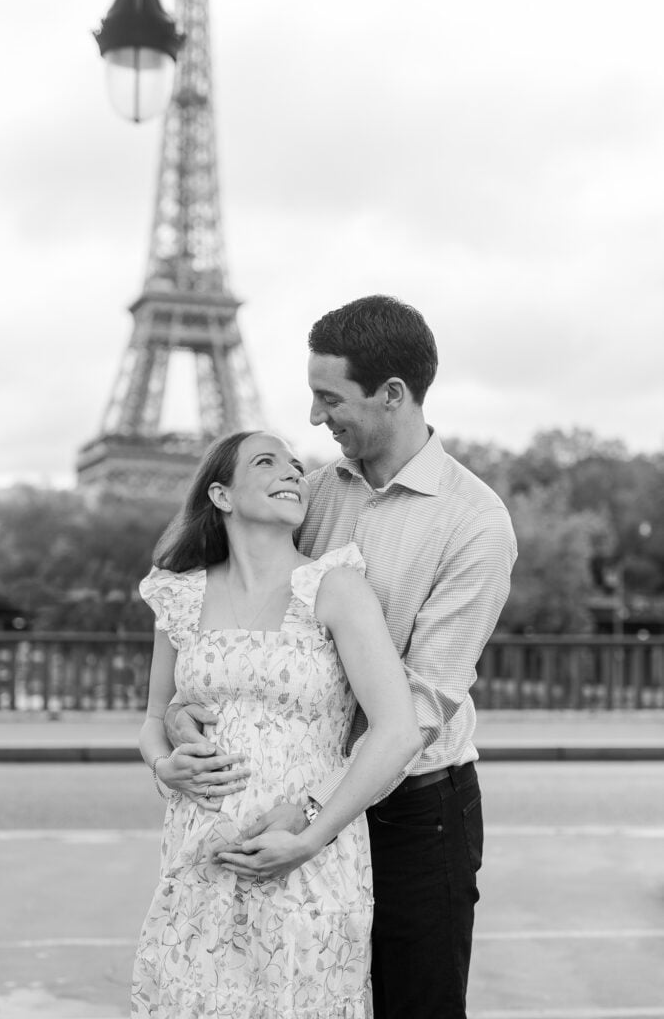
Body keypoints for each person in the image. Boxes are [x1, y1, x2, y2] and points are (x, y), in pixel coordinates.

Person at [167, 295, 517, 1019]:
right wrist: (188, 708)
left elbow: (418, 709)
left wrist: (312, 812)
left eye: (331, 398)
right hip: (302, 808)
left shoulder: (475, 523)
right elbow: (254, 626)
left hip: (416, 812)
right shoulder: (312, 493)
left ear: (393, 394)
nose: (316, 418)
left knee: (413, 1005)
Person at [132, 428, 421, 1018]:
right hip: (199, 860)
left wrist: (311, 836)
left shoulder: (336, 587)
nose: (292, 471)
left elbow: (397, 731)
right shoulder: (180, 598)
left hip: (305, 865)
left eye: (295, 463)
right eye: (267, 462)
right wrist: (166, 764)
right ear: (221, 495)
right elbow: (154, 718)